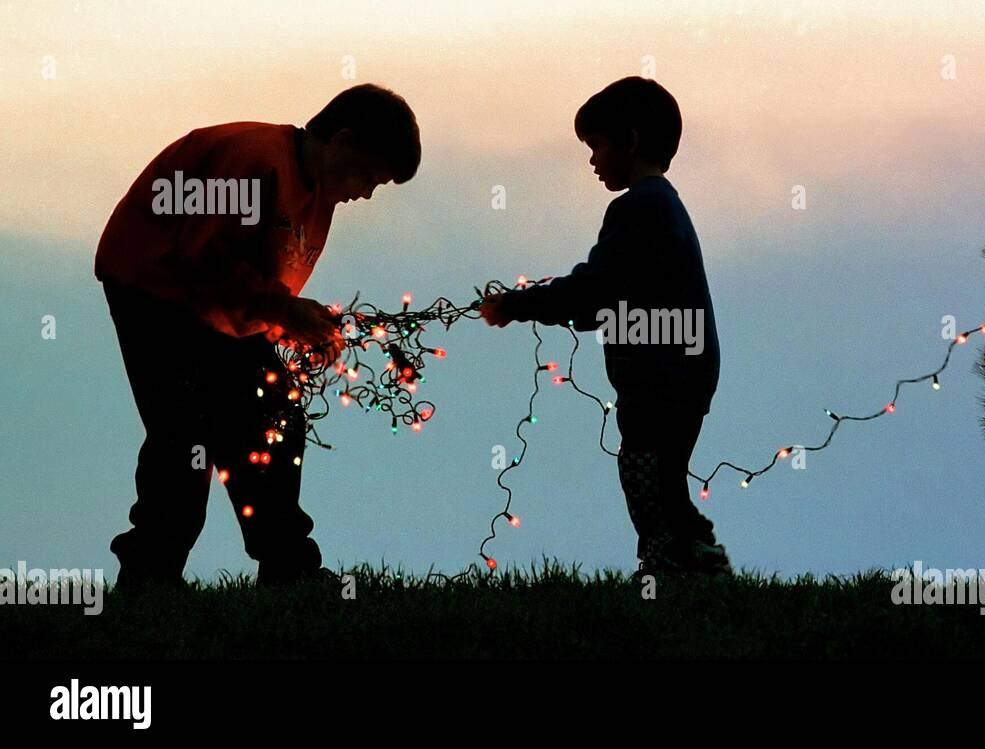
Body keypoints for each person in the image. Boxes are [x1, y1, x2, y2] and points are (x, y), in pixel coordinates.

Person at [95, 84, 421, 590]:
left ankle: (288, 567)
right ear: (342, 139)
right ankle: (148, 576)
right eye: (368, 176)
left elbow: (265, 276)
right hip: (157, 292)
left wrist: (288, 322)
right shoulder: (251, 159)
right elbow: (201, 258)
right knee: (186, 435)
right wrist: (286, 312)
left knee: (274, 421)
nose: (365, 193)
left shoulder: (317, 192)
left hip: (226, 313)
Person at [479, 77, 730, 575]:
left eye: (597, 145)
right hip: (684, 371)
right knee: (663, 475)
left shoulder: (638, 208)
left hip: (661, 376)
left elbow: (595, 290)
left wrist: (517, 305)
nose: (592, 160)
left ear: (630, 140)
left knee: (645, 473)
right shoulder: (664, 207)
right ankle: (692, 559)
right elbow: (604, 299)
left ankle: (671, 567)